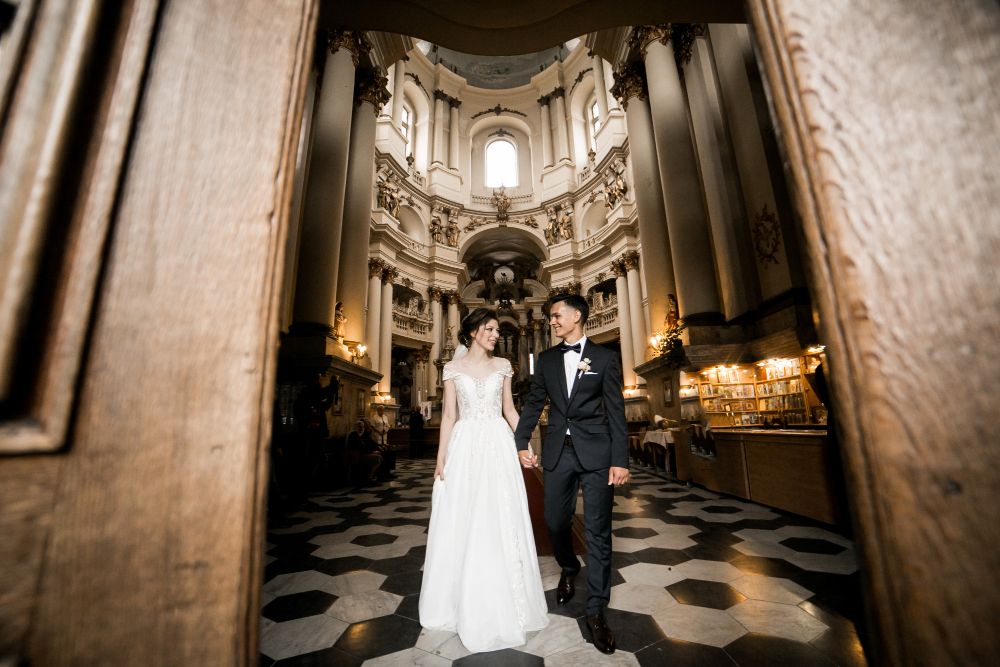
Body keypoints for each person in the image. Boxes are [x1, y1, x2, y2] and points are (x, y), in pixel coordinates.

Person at [419, 308, 549, 652]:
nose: (495, 334)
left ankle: (505, 594)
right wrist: (440, 457)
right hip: (464, 446)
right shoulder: (452, 368)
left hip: (497, 444)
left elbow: (508, 409)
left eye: (496, 329)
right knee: (463, 514)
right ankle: (462, 597)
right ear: (475, 331)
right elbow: (449, 415)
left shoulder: (503, 367)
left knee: (498, 515)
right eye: (490, 329)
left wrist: (524, 443)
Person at [513, 293, 629, 655]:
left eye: (556, 315)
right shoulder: (546, 360)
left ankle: (596, 610)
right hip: (558, 454)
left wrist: (620, 459)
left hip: (597, 454)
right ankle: (567, 566)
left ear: (576, 316)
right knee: (556, 520)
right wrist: (520, 440)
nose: (552, 321)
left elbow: (615, 411)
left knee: (597, 530)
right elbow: (534, 403)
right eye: (550, 317)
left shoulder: (606, 358)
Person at [345, 419, 382, 484]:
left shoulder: (364, 434)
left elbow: (371, 442)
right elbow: (358, 448)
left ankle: (375, 477)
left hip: (364, 453)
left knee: (381, 457)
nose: (362, 428)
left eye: (363, 427)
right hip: (356, 455)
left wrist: (379, 447)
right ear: (356, 427)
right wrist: (372, 452)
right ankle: (369, 478)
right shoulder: (353, 435)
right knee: (378, 459)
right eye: (359, 426)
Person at [369, 404, 394, 479]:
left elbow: (387, 425)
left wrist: (385, 430)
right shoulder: (374, 417)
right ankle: (380, 472)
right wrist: (379, 431)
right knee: (380, 450)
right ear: (378, 410)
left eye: (383, 410)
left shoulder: (385, 417)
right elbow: (372, 426)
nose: (382, 411)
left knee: (387, 452)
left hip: (384, 435)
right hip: (377, 435)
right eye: (381, 410)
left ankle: (387, 471)